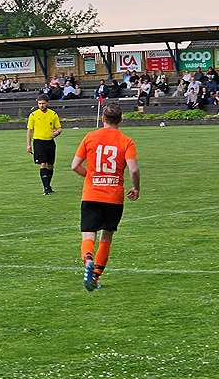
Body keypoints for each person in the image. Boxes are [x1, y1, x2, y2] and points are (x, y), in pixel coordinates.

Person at [71, 102, 140, 291]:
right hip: (113, 196)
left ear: (103, 119)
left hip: (91, 193)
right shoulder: (126, 141)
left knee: (88, 233)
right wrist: (136, 188)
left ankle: (88, 260)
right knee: (106, 236)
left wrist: (92, 177)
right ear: (121, 120)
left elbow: (75, 165)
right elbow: (133, 170)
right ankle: (94, 277)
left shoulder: (90, 137)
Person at [26, 94, 62, 195]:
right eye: (40, 103)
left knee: (50, 165)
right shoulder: (33, 115)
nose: (41, 105)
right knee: (43, 163)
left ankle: (48, 185)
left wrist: (56, 133)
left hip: (49, 142)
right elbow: (30, 130)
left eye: (43, 103)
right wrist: (28, 145)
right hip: (38, 142)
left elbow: (59, 128)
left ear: (47, 103)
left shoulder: (53, 114)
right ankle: (45, 187)